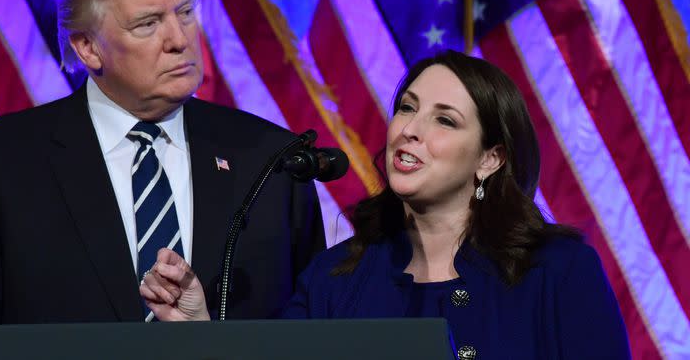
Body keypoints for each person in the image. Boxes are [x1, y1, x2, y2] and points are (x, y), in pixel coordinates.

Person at [0, 0, 324, 359]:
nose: (179, 40)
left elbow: (313, 334)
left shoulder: (270, 159)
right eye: (148, 23)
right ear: (89, 48)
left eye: (185, 13)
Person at [141, 50, 631, 359]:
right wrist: (199, 331)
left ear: (490, 158)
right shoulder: (336, 279)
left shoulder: (557, 271)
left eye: (445, 120)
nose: (410, 129)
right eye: (408, 107)